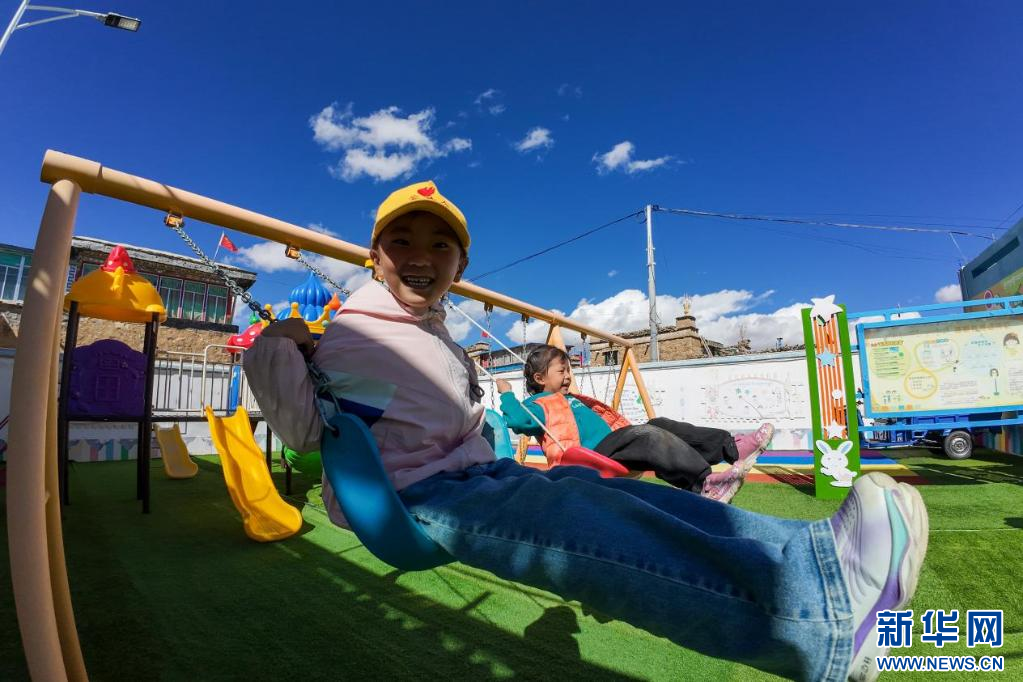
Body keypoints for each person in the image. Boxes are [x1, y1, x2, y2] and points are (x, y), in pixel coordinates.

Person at [244, 180, 929, 682]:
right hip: (413, 499)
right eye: (402, 241)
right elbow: (305, 433)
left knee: (616, 493)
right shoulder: (352, 332)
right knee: (576, 519)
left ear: (460, 266)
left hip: (475, 475)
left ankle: (812, 555)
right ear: (374, 255)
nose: (420, 255)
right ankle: (819, 623)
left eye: (439, 244)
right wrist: (278, 345)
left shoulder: (434, 333)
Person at [496, 344, 774, 502]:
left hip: (613, 446)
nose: (568, 376)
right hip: (586, 457)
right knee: (646, 435)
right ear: (540, 379)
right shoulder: (538, 404)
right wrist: (507, 393)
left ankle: (732, 448)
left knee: (659, 423)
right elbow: (517, 421)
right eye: (561, 371)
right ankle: (705, 484)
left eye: (569, 370)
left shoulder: (572, 399)